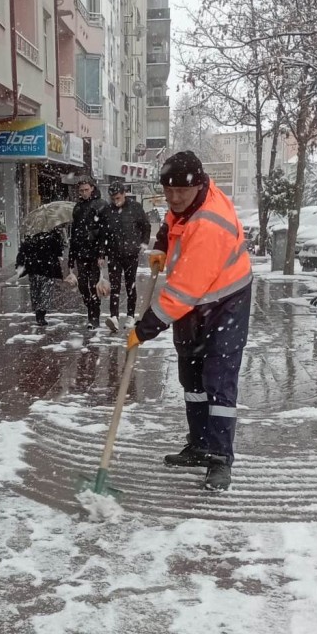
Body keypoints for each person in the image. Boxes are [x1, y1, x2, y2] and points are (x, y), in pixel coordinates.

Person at [125, 151, 252, 492]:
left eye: (181, 191)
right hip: (196, 300)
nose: (174, 198)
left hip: (226, 300)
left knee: (218, 378)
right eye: (168, 191)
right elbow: (173, 220)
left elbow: (181, 293)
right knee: (191, 373)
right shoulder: (190, 202)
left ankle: (220, 458)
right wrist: (161, 243)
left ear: (198, 186)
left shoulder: (209, 224)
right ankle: (199, 444)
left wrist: (144, 329)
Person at [104, 181, 152, 333]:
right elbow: (103, 233)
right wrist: (102, 253)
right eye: (113, 199)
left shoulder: (135, 208)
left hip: (131, 253)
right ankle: (114, 316)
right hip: (114, 254)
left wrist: (143, 244)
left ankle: (130, 315)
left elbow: (146, 226)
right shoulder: (108, 210)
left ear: (124, 194)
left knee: (130, 285)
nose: (116, 201)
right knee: (115, 286)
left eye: (118, 198)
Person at [67, 176, 112, 330]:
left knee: (93, 285)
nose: (84, 193)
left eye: (86, 189)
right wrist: (71, 257)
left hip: (94, 251)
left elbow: (104, 232)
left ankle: (94, 316)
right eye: (81, 190)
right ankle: (90, 308)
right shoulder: (78, 207)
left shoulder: (100, 205)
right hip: (81, 251)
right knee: (82, 285)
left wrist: (101, 253)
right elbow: (74, 233)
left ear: (92, 188)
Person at [15, 226, 67, 327]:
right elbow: (59, 251)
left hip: (34, 268)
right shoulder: (52, 237)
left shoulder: (31, 237)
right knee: (45, 292)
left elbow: (23, 252)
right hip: (46, 269)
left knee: (36, 291)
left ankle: (38, 312)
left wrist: (20, 265)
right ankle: (41, 313)